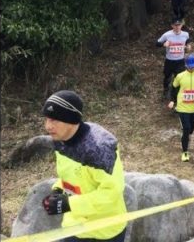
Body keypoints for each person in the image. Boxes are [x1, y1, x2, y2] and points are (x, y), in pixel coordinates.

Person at [41, 90, 128, 242]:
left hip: (105, 232)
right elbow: (70, 174)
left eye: (54, 120)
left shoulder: (99, 148)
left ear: (71, 120)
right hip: (74, 227)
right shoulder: (60, 140)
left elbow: (112, 192)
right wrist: (58, 189)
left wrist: (69, 203)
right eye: (47, 119)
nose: (48, 126)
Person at [167, 53, 194, 161]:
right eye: (190, 66)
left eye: (193, 66)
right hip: (183, 108)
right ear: (186, 65)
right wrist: (172, 100)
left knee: (191, 130)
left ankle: (186, 136)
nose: (191, 68)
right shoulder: (180, 76)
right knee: (186, 129)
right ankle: (185, 152)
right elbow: (173, 88)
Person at [156, 18, 192, 95]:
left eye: (179, 25)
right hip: (169, 60)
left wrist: (188, 46)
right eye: (175, 25)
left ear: (182, 25)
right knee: (167, 77)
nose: (177, 27)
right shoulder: (167, 34)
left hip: (180, 61)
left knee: (179, 78)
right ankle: (165, 91)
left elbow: (188, 41)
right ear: (172, 26)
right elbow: (157, 43)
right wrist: (163, 44)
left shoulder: (185, 34)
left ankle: (176, 94)